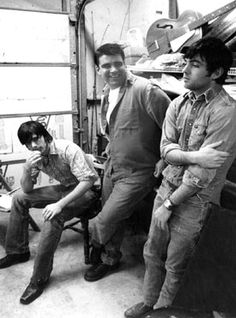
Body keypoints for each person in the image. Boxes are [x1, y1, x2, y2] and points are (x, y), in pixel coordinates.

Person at [124, 37, 236, 318]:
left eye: (195, 65)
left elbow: (202, 175)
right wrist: (194, 156)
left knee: (176, 264)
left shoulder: (226, 112)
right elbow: (165, 149)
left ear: (216, 73)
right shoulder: (179, 104)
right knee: (151, 252)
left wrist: (169, 204)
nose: (185, 70)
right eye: (186, 62)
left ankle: (163, 312)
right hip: (168, 188)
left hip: (195, 201)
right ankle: (150, 302)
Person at [84, 43, 171, 282]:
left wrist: (165, 158)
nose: (113, 70)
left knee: (105, 219)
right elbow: (116, 127)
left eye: (118, 64)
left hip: (139, 171)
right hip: (114, 165)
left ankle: (97, 244)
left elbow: (175, 128)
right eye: (106, 66)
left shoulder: (146, 90)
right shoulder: (106, 92)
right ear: (98, 69)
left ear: (125, 63)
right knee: (115, 216)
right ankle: (110, 258)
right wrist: (113, 144)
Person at [0, 121, 98, 304]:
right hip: (65, 188)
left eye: (35, 139)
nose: (33, 146)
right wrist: (27, 169)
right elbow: (27, 189)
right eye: (28, 144)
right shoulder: (36, 157)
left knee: (54, 215)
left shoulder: (67, 149)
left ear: (45, 135)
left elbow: (88, 181)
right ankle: (17, 251)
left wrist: (59, 205)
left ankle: (38, 279)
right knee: (19, 198)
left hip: (88, 192)